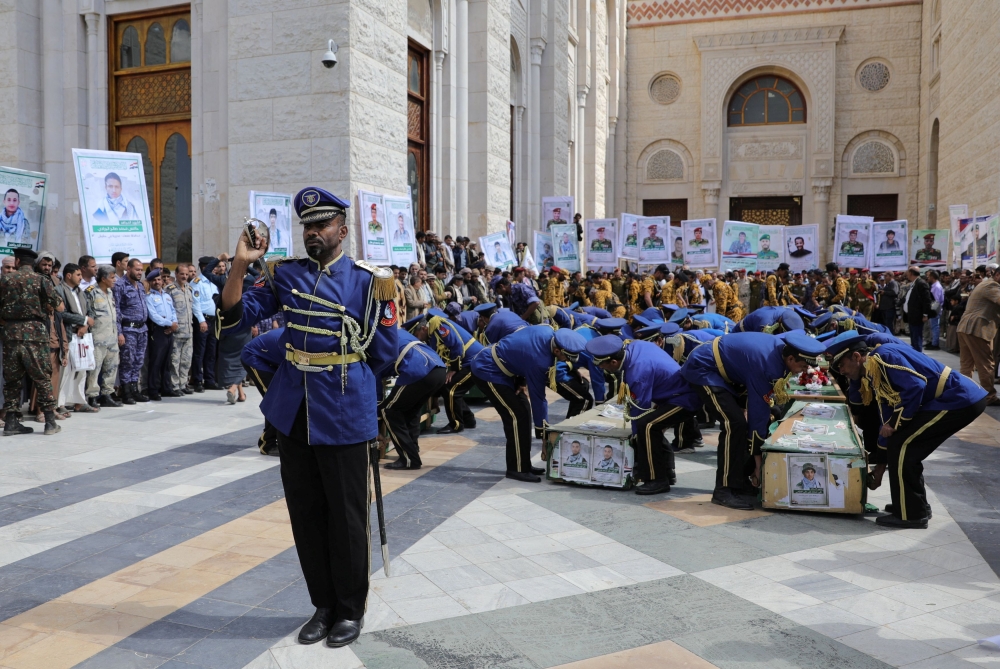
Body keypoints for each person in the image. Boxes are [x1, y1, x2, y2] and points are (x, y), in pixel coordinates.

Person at [218, 185, 397, 648]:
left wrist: (369, 411)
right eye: (307, 227)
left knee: (346, 515)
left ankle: (350, 609)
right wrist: (240, 262)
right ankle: (322, 604)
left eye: (321, 225)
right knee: (306, 513)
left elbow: (383, 353)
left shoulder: (368, 281)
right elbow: (236, 313)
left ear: (342, 228)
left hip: (342, 409)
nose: (313, 233)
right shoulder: (286, 275)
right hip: (294, 410)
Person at [825, 331, 987, 528]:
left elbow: (916, 386)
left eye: (841, 365)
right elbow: (887, 413)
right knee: (901, 443)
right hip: (952, 398)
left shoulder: (882, 357)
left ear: (857, 357)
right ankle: (911, 504)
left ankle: (912, 514)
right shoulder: (873, 368)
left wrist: (893, 424)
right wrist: (880, 466)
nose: (841, 371)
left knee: (904, 446)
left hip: (959, 398)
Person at [681, 331, 825, 509]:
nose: (803, 371)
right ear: (790, 359)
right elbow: (757, 416)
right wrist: (759, 465)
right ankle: (723, 490)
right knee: (734, 424)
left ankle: (739, 480)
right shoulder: (768, 365)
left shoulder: (781, 354)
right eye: (802, 367)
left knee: (754, 420)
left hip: (728, 371)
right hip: (703, 368)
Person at [471, 326, 587, 482]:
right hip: (488, 369)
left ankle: (523, 463)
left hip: (507, 368)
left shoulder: (547, 331)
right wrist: (544, 436)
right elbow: (538, 398)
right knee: (516, 416)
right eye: (566, 357)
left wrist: (520, 380)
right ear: (557, 351)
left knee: (524, 411)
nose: (566, 361)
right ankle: (516, 469)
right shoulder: (540, 360)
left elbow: (520, 347)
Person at [587, 334, 700, 495]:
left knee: (646, 427)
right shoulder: (635, 346)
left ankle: (656, 479)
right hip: (673, 394)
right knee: (651, 426)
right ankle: (667, 471)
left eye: (603, 366)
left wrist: (634, 440)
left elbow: (640, 410)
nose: (602, 369)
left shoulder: (637, 372)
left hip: (684, 399)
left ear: (614, 362)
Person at [1, 247, 62, 435]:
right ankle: (50, 422)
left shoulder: (5, 280)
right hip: (35, 334)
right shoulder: (41, 280)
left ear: (17, 262)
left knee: (12, 379)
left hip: (10, 334)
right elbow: (59, 305)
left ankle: (11, 421)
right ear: (32, 263)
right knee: (42, 377)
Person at [379, 326, 447, 469]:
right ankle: (412, 452)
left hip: (419, 370)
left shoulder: (377, 339)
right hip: (439, 369)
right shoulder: (398, 333)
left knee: (388, 410)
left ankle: (408, 459)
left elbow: (376, 375)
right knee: (411, 410)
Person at [409, 309, 483, 434]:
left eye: (416, 336)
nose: (418, 340)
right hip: (468, 361)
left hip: (474, 361)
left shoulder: (439, 326)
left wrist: (454, 369)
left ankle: (456, 424)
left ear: (423, 329)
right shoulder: (432, 334)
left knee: (451, 389)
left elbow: (456, 345)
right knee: (449, 386)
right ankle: (468, 419)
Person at [55, 263, 97, 413]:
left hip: (83, 335)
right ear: (68, 275)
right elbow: (61, 313)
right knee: (66, 371)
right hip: (68, 334)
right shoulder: (59, 290)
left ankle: (79, 402)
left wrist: (86, 324)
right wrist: (83, 321)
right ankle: (60, 404)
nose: (81, 278)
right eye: (78, 275)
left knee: (82, 369)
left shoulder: (81, 291)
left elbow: (90, 311)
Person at [956, 273, 1000, 404]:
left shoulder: (983, 284)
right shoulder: (992, 285)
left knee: (967, 364)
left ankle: (964, 392)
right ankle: (989, 396)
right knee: (986, 364)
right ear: (997, 275)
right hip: (977, 328)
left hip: (965, 327)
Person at [84, 265, 122, 408]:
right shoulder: (91, 292)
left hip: (112, 337)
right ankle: (92, 396)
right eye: (112, 278)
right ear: (103, 278)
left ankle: (107, 394)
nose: (114, 280)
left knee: (111, 367)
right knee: (95, 369)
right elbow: (88, 313)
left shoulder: (110, 293)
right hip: (98, 338)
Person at [113, 258, 149, 403]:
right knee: (127, 361)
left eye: (141, 270)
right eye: (137, 270)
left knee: (138, 361)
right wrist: (119, 332)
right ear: (128, 269)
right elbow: (116, 310)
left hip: (142, 329)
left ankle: (135, 389)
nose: (140, 272)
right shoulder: (120, 285)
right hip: (128, 329)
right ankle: (126, 391)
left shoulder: (140, 286)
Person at [167, 263, 204, 395]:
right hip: (176, 332)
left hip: (189, 331)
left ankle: (183, 384)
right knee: (174, 361)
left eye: (186, 274)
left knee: (186, 360)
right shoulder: (170, 290)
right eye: (181, 274)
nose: (184, 276)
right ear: (176, 274)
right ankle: (175, 385)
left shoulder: (189, 289)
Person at [144, 269, 177, 401]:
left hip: (170, 331)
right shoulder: (149, 297)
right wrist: (169, 323)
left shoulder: (167, 296)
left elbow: (173, 311)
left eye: (159, 279)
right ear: (150, 282)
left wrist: (174, 323)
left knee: (167, 362)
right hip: (158, 331)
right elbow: (154, 316)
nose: (157, 282)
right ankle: (153, 389)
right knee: (156, 361)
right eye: (154, 280)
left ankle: (166, 388)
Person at [191, 257, 220, 391]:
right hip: (203, 320)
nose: (215, 269)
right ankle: (197, 380)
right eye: (212, 266)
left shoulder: (213, 282)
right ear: (204, 267)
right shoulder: (197, 282)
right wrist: (201, 320)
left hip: (214, 320)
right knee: (200, 351)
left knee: (211, 351)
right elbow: (196, 304)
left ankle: (209, 379)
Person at [902, 266, 932, 351]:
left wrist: (925, 314)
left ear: (911, 273)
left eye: (907, 272)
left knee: (917, 339)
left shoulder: (921, 283)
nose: (906, 274)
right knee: (914, 340)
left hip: (917, 316)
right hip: (912, 316)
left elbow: (927, 300)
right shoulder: (914, 283)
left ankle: (918, 358)